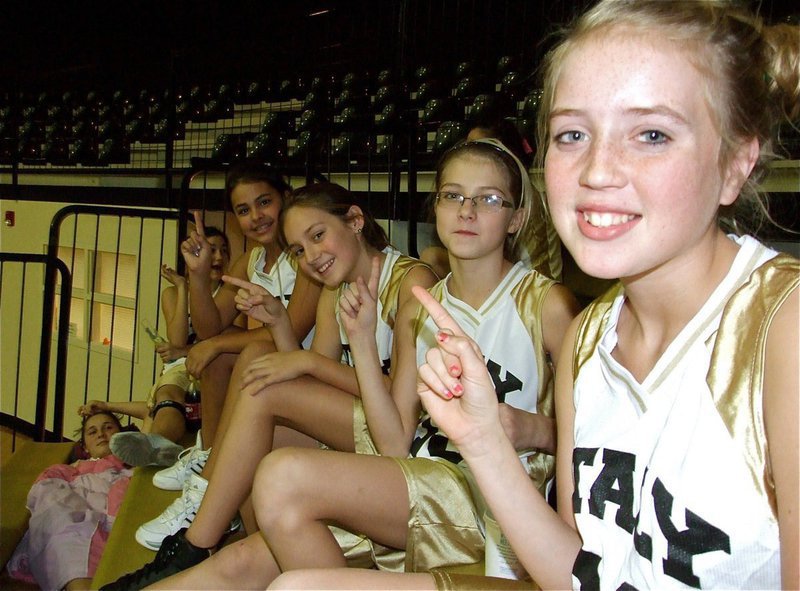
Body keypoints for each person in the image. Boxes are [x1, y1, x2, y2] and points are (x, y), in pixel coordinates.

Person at [270, 1, 800, 589]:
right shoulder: (588, 340)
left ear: (734, 164)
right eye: (572, 134)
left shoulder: (783, 327)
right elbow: (580, 572)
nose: (597, 170)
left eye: (651, 134)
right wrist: (483, 439)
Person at [119, 138, 579, 590]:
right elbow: (396, 442)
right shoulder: (420, 307)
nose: (467, 210)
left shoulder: (546, 305)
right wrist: (359, 343)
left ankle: (200, 523)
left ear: (517, 217)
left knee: (280, 474)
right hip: (421, 478)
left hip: (496, 503)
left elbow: (597, 443)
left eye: (489, 199)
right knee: (241, 561)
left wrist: (528, 429)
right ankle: (183, 551)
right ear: (435, 206)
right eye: (453, 196)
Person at [99, 182, 438, 584]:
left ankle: (195, 544)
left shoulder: (413, 281)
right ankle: (247, 546)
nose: (311, 257)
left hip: (410, 439)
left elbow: (401, 401)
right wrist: (279, 321)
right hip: (362, 422)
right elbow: (318, 379)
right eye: (298, 249)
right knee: (253, 447)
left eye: (317, 236)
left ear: (355, 220)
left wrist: (306, 360)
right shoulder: (337, 287)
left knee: (265, 394)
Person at [145, 161, 322, 496]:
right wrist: (197, 276)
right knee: (220, 347)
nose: (256, 216)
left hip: (311, 366)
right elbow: (209, 325)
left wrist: (217, 345)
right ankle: (209, 454)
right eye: (244, 210)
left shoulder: (304, 256)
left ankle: (214, 474)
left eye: (264, 202)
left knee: (230, 348)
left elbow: (294, 330)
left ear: (286, 198)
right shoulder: (250, 260)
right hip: (280, 366)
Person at [79, 227, 231, 468]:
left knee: (172, 389)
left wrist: (184, 351)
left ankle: (160, 445)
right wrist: (183, 288)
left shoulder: (232, 293)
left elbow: (230, 341)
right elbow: (177, 339)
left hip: (217, 364)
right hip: (182, 367)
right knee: (169, 391)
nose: (219, 257)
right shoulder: (172, 293)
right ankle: (157, 444)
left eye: (224, 251)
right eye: (212, 250)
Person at [421, 117, 563, 282]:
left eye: (489, 199)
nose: (471, 156)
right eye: (452, 196)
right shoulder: (416, 306)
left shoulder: (530, 199)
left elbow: (541, 271)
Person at [6, 411, 133, 591]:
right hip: (80, 524)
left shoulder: (139, 469)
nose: (101, 434)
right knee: (63, 521)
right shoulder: (66, 472)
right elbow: (48, 498)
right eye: (92, 432)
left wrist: (107, 405)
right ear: (85, 447)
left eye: (108, 427)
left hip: (125, 526)